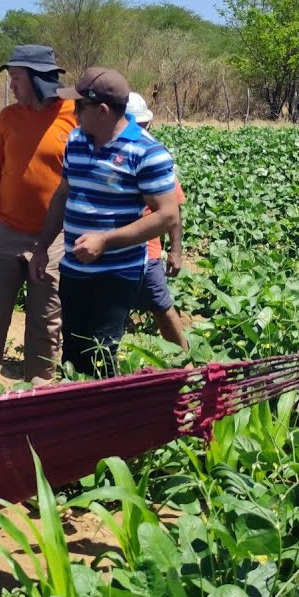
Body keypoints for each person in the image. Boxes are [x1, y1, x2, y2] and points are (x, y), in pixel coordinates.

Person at [30, 68, 180, 378]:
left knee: (101, 351)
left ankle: (104, 406)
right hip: (74, 267)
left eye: (79, 106)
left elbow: (167, 215)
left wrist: (105, 241)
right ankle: (77, 403)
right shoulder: (75, 140)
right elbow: (62, 195)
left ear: (102, 110)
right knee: (73, 350)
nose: (73, 113)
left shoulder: (147, 152)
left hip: (117, 272)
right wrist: (42, 246)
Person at [0, 45, 79, 384]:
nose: (12, 85)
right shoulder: (8, 118)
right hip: (7, 232)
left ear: (37, 78)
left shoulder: (74, 114)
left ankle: (39, 393)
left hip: (55, 237)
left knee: (46, 321)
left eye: (16, 78)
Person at [125, 92, 189, 350]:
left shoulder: (153, 156)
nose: (140, 131)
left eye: (142, 125)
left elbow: (174, 211)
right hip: (109, 248)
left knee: (161, 306)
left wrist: (175, 251)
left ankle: (186, 359)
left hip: (146, 249)